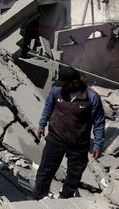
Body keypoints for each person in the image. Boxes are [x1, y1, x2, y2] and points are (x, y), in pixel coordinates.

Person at [32, 66, 106, 199]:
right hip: (55, 139)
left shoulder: (91, 98)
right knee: (45, 170)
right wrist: (42, 125)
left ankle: (64, 199)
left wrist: (97, 144)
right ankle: (38, 196)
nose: (61, 87)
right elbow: (48, 107)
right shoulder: (57, 91)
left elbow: (99, 123)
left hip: (78, 144)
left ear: (74, 83)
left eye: (64, 84)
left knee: (74, 175)